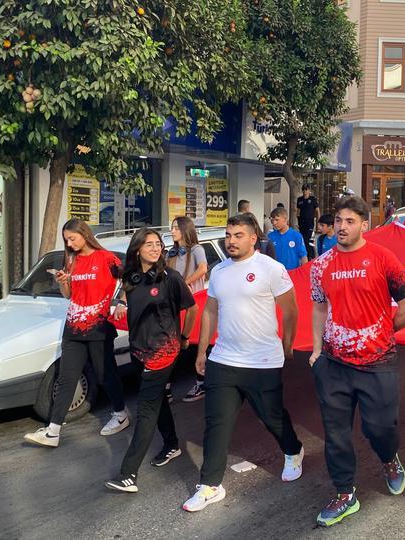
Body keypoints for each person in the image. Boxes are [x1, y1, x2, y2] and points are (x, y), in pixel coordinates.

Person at [309, 195, 405, 527]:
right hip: (334, 364)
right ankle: (345, 493)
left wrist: (384, 332)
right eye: (339, 221)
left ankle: (389, 458)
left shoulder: (384, 258)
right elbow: (318, 306)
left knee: (380, 429)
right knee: (335, 433)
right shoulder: (321, 265)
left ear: (364, 225)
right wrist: (316, 350)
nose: (342, 227)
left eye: (350, 221)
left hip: (377, 364)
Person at [182, 214, 303, 513]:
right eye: (228, 234)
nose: (231, 240)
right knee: (216, 423)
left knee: (271, 416)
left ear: (253, 238)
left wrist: (287, 343)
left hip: (262, 360)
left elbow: (291, 310)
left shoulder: (270, 269)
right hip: (224, 358)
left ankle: (293, 450)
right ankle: (210, 485)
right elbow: (210, 311)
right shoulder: (220, 271)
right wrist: (202, 351)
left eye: (238, 235)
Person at [105, 229, 197, 493]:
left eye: (158, 244)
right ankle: (171, 444)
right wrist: (120, 304)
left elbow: (191, 308)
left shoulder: (170, 278)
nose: (156, 249)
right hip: (138, 350)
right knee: (156, 400)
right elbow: (125, 297)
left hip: (163, 352)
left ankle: (128, 474)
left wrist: (184, 337)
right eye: (149, 245)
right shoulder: (131, 278)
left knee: (145, 410)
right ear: (137, 249)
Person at [24, 219, 129, 447]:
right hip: (73, 328)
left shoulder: (106, 258)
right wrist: (63, 282)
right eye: (66, 240)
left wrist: (123, 302)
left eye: (72, 238)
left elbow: (130, 280)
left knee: (105, 375)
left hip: (99, 328)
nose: (69, 244)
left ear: (84, 234)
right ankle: (53, 431)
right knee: (66, 378)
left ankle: (120, 414)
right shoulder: (71, 261)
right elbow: (69, 295)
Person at [166, 216, 208, 403]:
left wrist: (183, 284)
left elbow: (202, 269)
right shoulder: (171, 253)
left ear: (185, 229)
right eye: (172, 228)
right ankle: (166, 387)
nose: (172, 231)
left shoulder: (197, 249)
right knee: (173, 345)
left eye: (176, 228)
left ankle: (201, 382)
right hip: (175, 305)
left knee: (195, 344)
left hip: (193, 303)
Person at [296, 185, 320, 256]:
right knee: (302, 238)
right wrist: (297, 220)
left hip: (309, 222)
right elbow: (298, 211)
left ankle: (309, 254)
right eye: (303, 190)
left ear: (309, 190)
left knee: (307, 239)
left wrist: (318, 222)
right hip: (301, 222)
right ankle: (306, 254)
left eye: (306, 190)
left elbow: (317, 211)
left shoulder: (313, 199)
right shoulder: (299, 199)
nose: (305, 191)